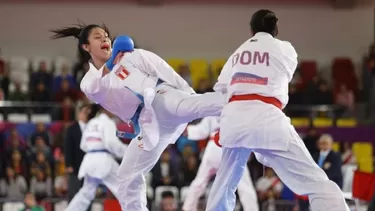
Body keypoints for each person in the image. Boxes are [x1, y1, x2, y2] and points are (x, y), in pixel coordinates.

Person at [50, 23, 224, 211]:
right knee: (126, 176)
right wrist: (110, 64)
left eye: (106, 36)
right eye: (98, 37)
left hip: (160, 97)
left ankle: (241, 100)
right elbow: (95, 90)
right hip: (147, 124)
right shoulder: (89, 80)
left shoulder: (130, 55)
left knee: (191, 105)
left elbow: (162, 69)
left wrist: (187, 91)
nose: (105, 39)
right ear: (86, 47)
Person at [205, 9, 350, 211]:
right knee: (315, 182)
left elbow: (221, 89)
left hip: (235, 118)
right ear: (276, 28)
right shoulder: (285, 49)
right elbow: (287, 73)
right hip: (267, 118)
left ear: (251, 30)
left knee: (224, 184)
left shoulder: (236, 54)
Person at [182, 116, 259, 211]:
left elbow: (202, 130)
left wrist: (188, 130)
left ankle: (188, 208)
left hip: (214, 148)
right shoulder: (238, 111)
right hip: (231, 148)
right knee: (244, 184)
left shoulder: (214, 111)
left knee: (200, 181)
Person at [65, 105, 128, 211]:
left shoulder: (91, 123)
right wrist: (128, 152)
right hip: (102, 160)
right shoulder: (107, 122)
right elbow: (111, 143)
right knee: (124, 188)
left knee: (86, 193)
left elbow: (83, 145)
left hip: (89, 160)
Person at [64, 103, 91, 202]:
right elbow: (68, 148)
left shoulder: (92, 128)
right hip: (75, 167)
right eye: (85, 112)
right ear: (79, 114)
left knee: (88, 195)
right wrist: (69, 164)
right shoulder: (71, 129)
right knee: (74, 195)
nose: (87, 114)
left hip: (88, 168)